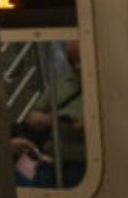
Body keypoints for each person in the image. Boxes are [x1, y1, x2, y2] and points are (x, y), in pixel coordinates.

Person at [10, 40, 85, 190]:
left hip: (82, 160)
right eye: (71, 61)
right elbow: (32, 116)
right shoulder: (61, 85)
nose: (77, 66)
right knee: (18, 177)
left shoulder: (107, 87)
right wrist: (46, 120)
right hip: (48, 155)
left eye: (80, 59)